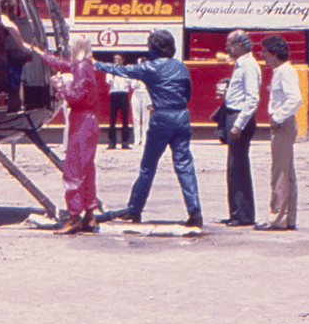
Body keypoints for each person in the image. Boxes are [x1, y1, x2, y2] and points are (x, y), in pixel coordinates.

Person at [94, 30, 202, 227]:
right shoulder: (181, 67)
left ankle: (135, 209)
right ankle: (194, 211)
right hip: (181, 116)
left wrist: (93, 63)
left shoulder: (148, 68)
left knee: (148, 167)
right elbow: (187, 94)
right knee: (184, 165)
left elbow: (119, 70)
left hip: (161, 117)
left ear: (153, 48)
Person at [33, 36, 102, 235]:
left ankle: (74, 217)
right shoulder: (86, 66)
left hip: (81, 121)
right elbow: (63, 64)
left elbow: (75, 96)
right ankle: (90, 214)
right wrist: (42, 54)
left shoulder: (79, 68)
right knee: (87, 169)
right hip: (89, 121)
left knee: (73, 169)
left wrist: (61, 86)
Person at [257, 35, 301, 231]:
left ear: (273, 53)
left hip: (282, 124)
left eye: (265, 52)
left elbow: (295, 99)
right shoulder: (283, 70)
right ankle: (288, 218)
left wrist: (278, 116)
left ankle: (277, 218)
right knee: (286, 172)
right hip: (285, 122)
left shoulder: (284, 71)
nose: (263, 56)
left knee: (280, 173)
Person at [221, 30, 260, 227]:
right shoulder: (241, 64)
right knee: (234, 167)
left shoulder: (249, 66)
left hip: (239, 118)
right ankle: (237, 212)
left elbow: (252, 99)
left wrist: (238, 124)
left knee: (238, 167)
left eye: (230, 44)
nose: (228, 48)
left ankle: (242, 215)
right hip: (234, 116)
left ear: (241, 45)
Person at [105, 54, 132, 150]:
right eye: (115, 59)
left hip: (123, 94)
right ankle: (111, 143)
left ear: (122, 60)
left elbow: (129, 81)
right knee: (112, 119)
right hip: (114, 93)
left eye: (118, 59)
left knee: (125, 119)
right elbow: (108, 81)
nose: (116, 61)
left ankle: (125, 143)